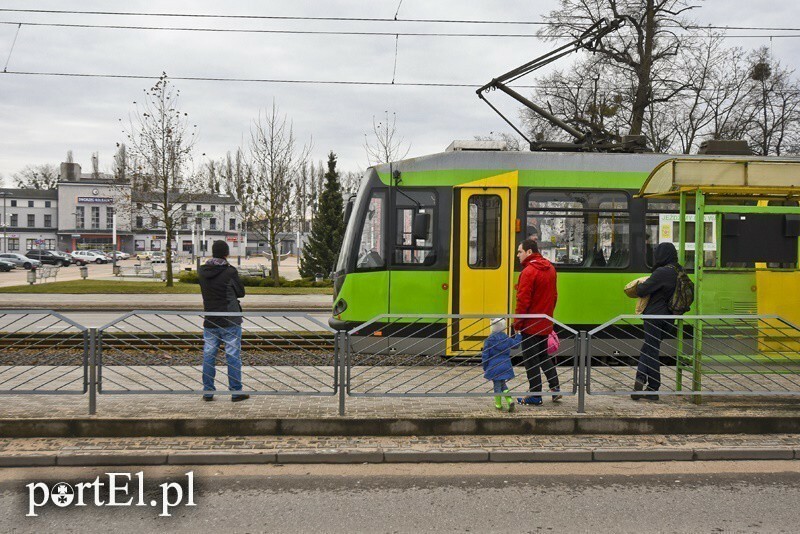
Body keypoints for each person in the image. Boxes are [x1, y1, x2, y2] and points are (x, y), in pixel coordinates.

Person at [198, 240, 248, 402]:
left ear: (213, 252)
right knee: (232, 355)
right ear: (226, 253)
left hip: (210, 319)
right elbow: (241, 292)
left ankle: (208, 392)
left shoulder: (202, 271)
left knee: (208, 354)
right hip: (230, 319)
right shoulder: (229, 271)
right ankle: (235, 391)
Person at [631, 242, 681, 401]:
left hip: (654, 317)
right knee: (649, 347)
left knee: (651, 351)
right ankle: (640, 378)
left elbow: (642, 290)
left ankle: (653, 388)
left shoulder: (661, 272)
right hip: (669, 318)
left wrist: (640, 283)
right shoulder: (679, 271)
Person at [513, 238, 560, 406]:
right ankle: (555, 388)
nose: (518, 255)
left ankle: (535, 395)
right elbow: (554, 297)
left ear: (529, 252)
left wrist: (517, 324)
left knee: (531, 360)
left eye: (520, 251)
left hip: (530, 324)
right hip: (545, 322)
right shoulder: (551, 269)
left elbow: (523, 301)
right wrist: (548, 317)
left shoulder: (528, 272)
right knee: (543, 356)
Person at [482, 318, 521, 412]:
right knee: (502, 384)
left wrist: (485, 366)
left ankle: (498, 405)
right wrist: (518, 334)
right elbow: (516, 345)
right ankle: (509, 400)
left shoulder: (489, 340)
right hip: (506, 365)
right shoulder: (506, 338)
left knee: (497, 385)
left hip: (494, 366)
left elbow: (485, 354)